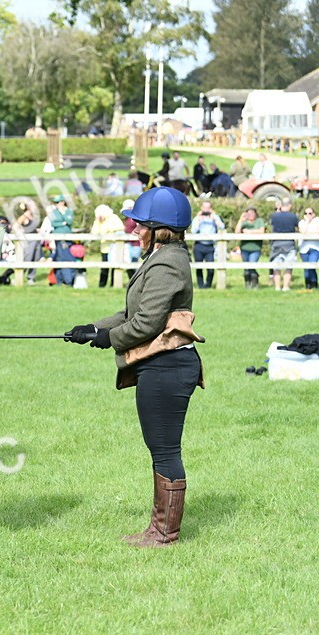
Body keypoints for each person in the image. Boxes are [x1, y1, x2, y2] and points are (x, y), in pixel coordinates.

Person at [64, 186, 203, 548]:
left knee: (165, 449)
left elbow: (147, 324)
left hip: (168, 366)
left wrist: (109, 339)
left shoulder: (169, 262)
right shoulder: (159, 256)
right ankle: (157, 529)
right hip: (158, 366)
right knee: (158, 446)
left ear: (160, 229)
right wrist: (93, 328)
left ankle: (164, 535)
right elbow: (130, 315)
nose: (133, 230)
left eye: (140, 225)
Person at [189, 201, 224, 289]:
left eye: (208, 208)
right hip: (199, 245)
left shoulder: (214, 218)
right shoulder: (197, 218)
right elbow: (193, 231)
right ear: (201, 208)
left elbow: (222, 227)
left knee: (211, 268)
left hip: (210, 246)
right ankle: (201, 286)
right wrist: (199, 219)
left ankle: (208, 285)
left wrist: (215, 218)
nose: (206, 210)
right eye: (204, 208)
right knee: (199, 267)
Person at [91, 204, 125, 288]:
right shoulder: (98, 221)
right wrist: (97, 222)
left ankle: (114, 284)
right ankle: (102, 285)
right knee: (104, 267)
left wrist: (109, 230)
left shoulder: (114, 217)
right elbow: (94, 232)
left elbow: (120, 227)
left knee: (115, 267)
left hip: (114, 247)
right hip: (105, 247)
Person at [269, 199, 299, 291]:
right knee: (288, 266)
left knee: (276, 266)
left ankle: (277, 287)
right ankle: (286, 286)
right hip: (289, 244)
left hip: (276, 243)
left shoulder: (274, 216)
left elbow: (272, 226)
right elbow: (297, 227)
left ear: (281, 205)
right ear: (289, 205)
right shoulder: (293, 216)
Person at [235, 207, 265, 288]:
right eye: (249, 213)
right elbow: (237, 232)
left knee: (252, 265)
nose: (251, 215)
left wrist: (249, 232)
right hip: (245, 248)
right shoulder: (244, 222)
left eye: (252, 213)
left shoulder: (259, 221)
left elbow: (261, 231)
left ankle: (255, 283)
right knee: (246, 267)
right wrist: (241, 220)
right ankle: (247, 284)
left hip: (255, 248)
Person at [50, 195, 76, 285]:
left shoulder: (68, 211)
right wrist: (63, 223)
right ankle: (59, 280)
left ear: (62, 202)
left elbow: (69, 222)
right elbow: (53, 223)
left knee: (66, 257)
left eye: (58, 202)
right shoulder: (54, 212)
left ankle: (68, 279)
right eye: (55, 203)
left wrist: (63, 214)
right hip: (57, 237)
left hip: (67, 237)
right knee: (59, 257)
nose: (56, 204)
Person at [299, 206, 319, 291]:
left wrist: (309, 232)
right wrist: (307, 222)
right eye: (306, 213)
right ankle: (308, 284)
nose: (308, 215)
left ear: (313, 214)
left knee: (312, 265)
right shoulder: (302, 222)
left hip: (315, 247)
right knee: (306, 267)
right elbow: (303, 232)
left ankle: (314, 283)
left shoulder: (317, 221)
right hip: (304, 248)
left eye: (310, 213)